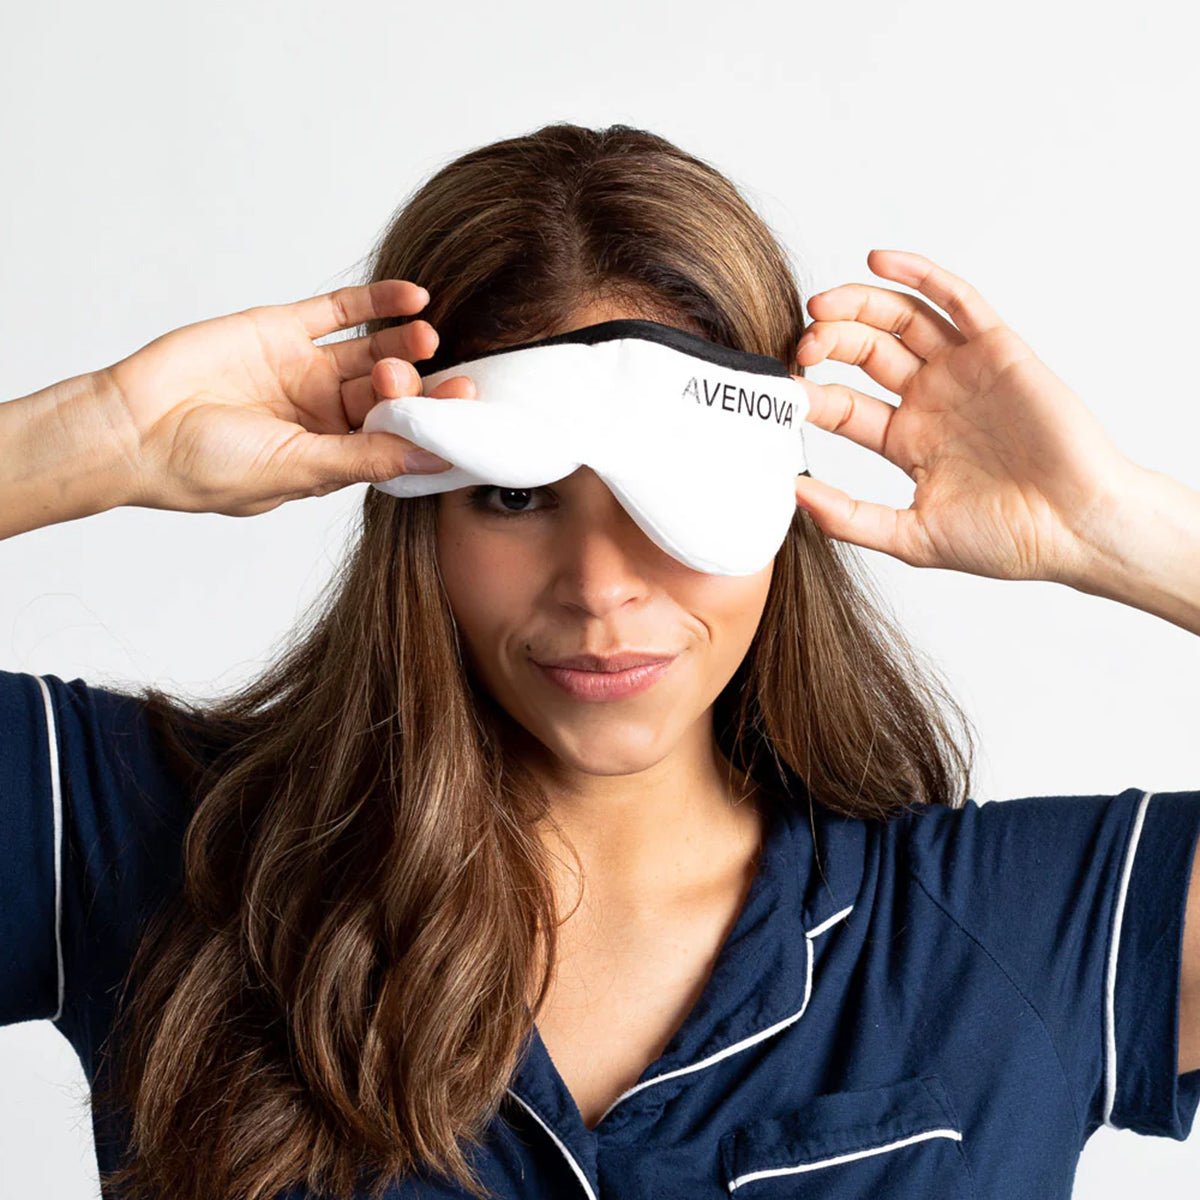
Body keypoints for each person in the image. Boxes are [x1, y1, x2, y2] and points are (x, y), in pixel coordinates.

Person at [1, 121, 1198, 1200]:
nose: (600, 586)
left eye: (671, 495)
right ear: (414, 505)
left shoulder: (1021, 932)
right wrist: (92, 439)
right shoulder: (157, 842)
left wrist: (1114, 529)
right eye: (514, 495)